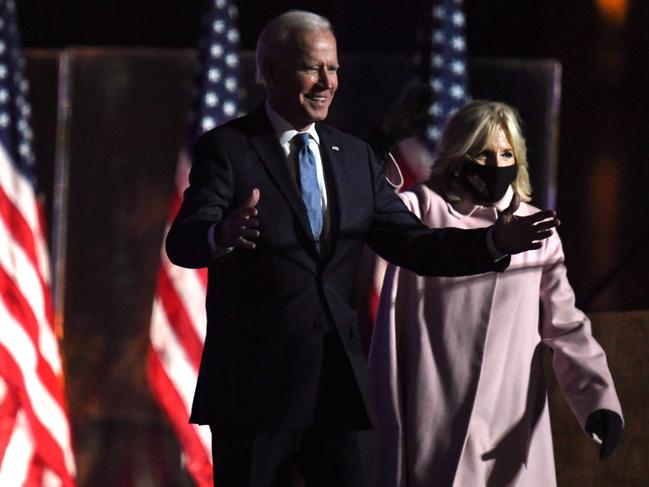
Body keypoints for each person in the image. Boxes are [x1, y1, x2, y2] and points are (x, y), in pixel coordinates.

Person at [165, 11, 558, 486]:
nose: (327, 82)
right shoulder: (227, 149)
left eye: (333, 69)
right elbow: (183, 240)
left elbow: (417, 245)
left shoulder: (352, 157)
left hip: (336, 393)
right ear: (270, 73)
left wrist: (493, 241)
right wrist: (220, 235)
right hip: (255, 396)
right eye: (312, 68)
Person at [367, 100, 624, 487]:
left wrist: (598, 401)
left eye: (506, 153)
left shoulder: (537, 231)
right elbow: (375, 208)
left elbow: (566, 326)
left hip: (505, 420)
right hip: (428, 413)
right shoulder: (420, 211)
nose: (496, 163)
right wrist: (379, 148)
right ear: (458, 157)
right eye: (483, 153)